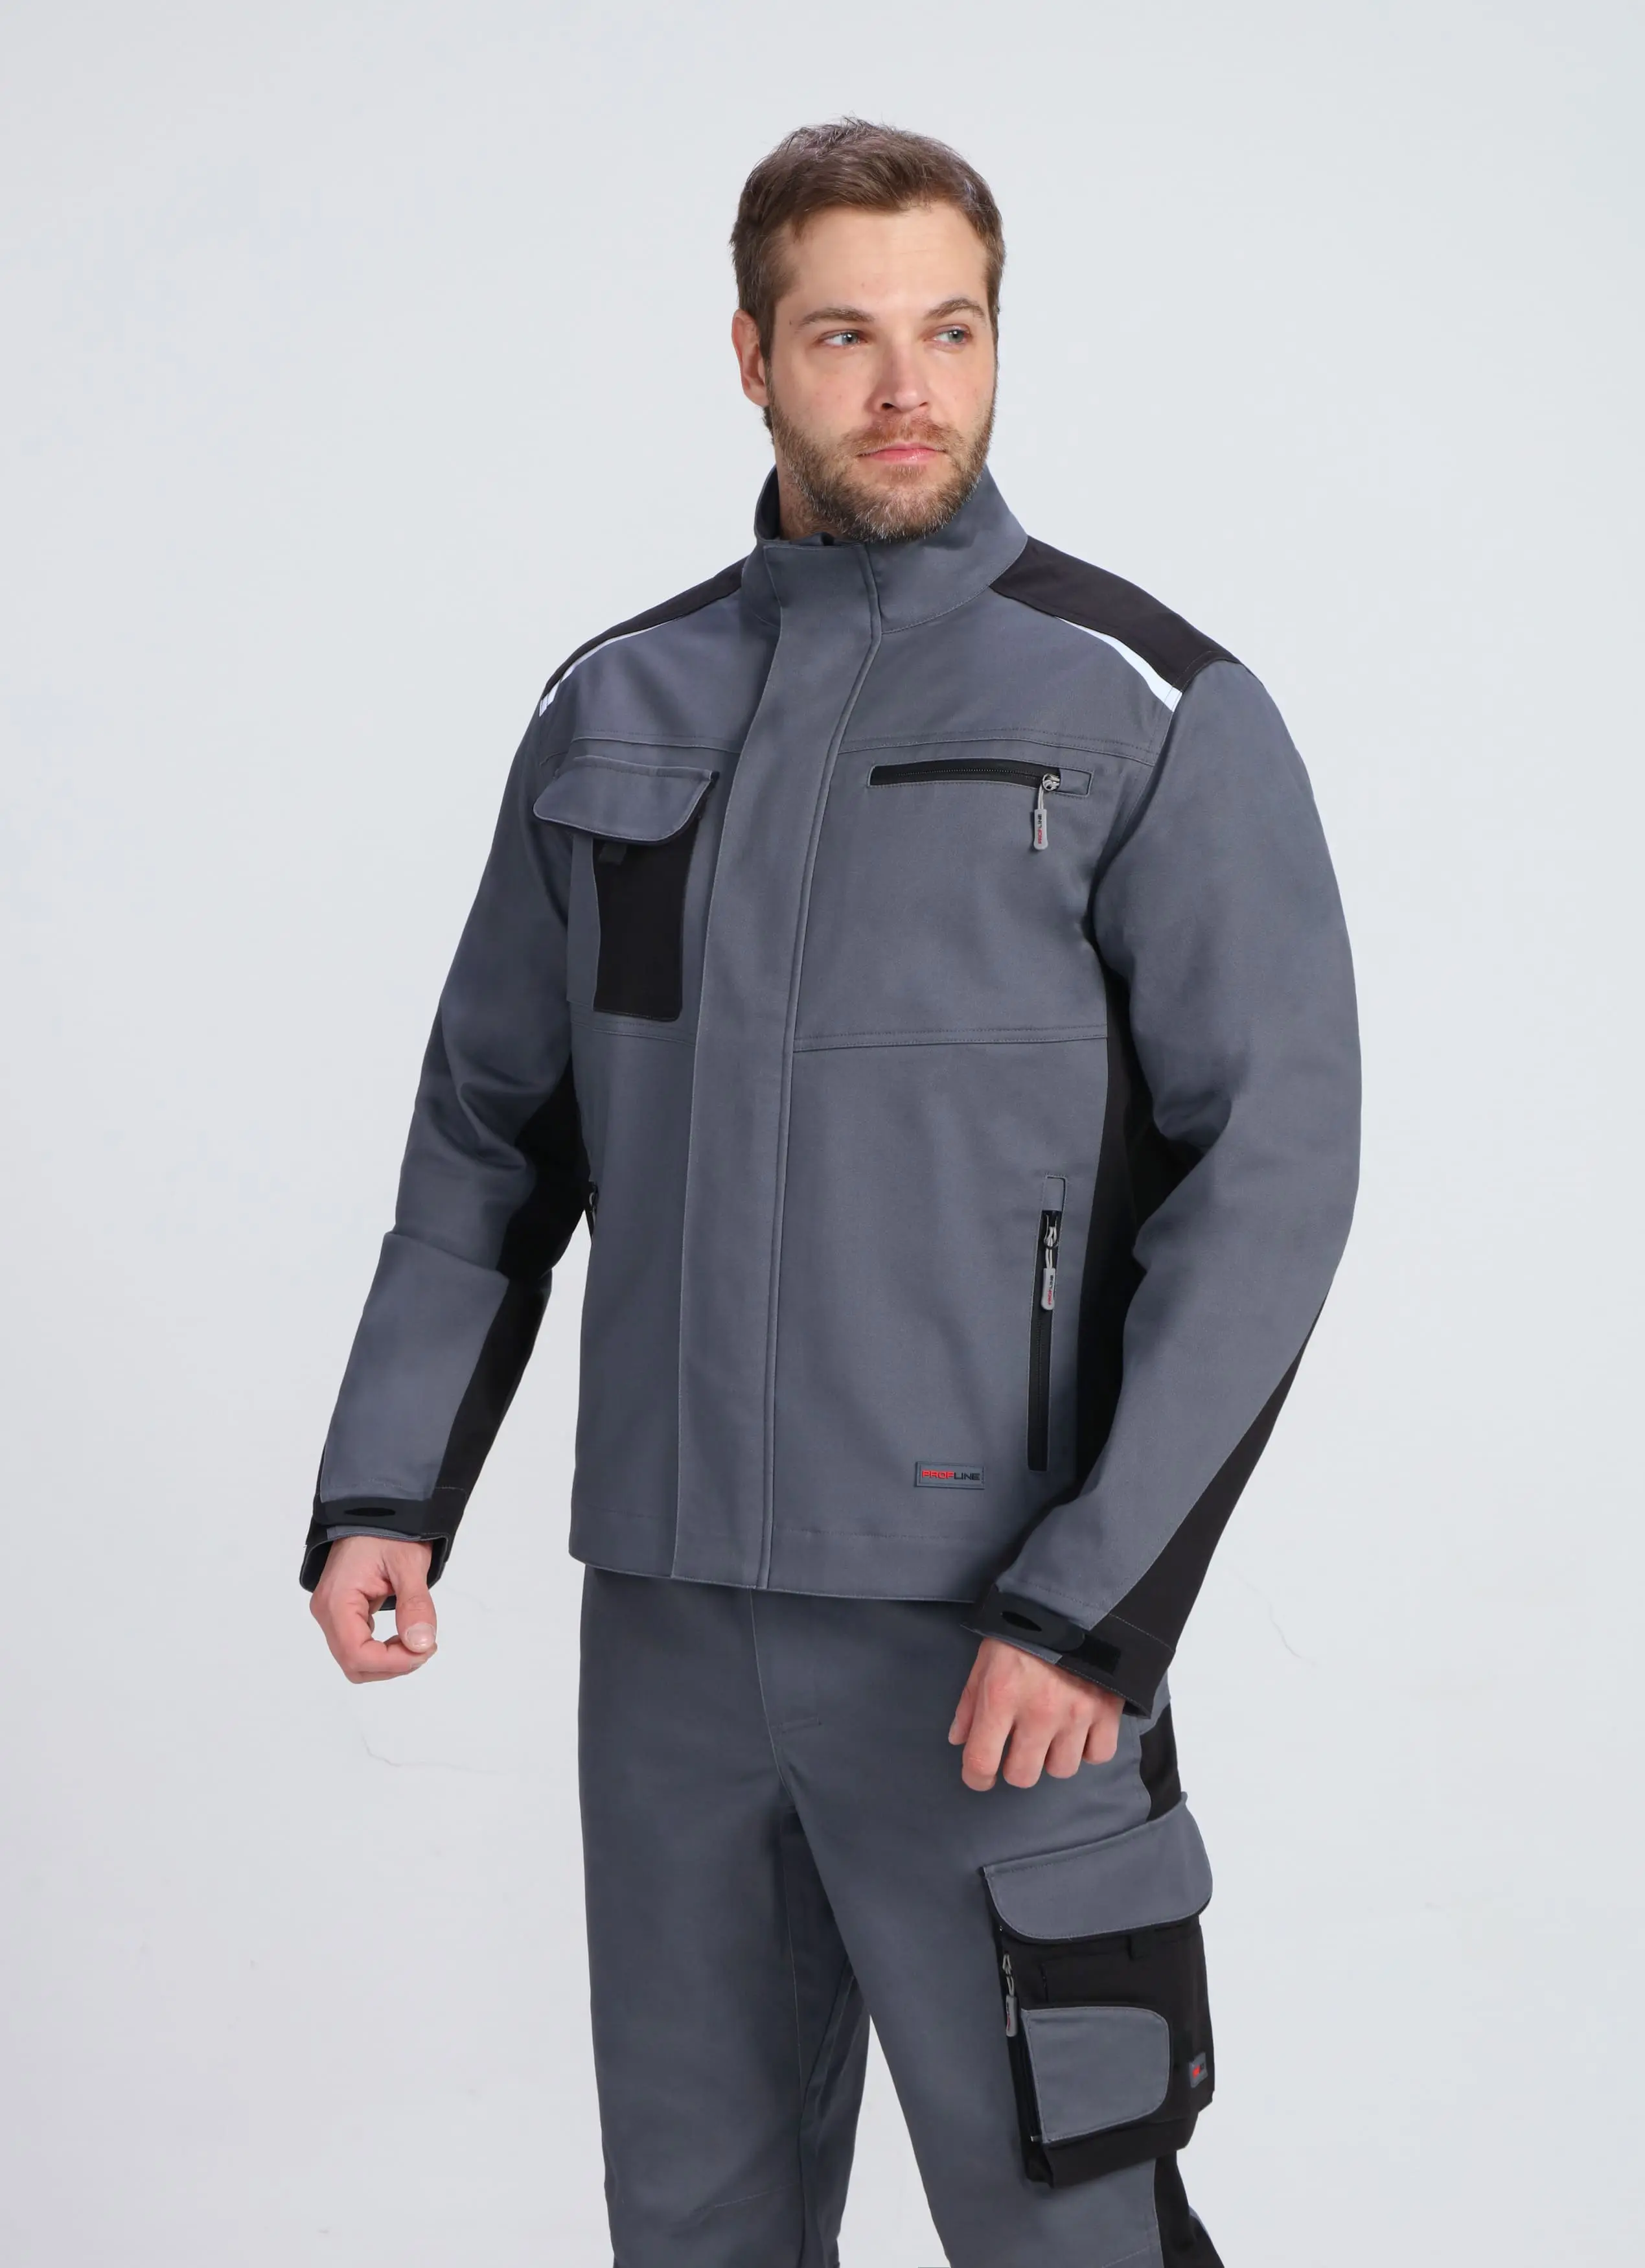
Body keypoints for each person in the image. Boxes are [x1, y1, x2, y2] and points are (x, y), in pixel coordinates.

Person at [302, 117, 1361, 2268]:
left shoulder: (1145, 708)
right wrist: (389, 1480)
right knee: (695, 2224)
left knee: (1070, 2225)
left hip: (991, 1645)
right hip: (672, 1641)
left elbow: (1272, 1173)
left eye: (951, 332)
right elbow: (495, 1123)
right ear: (751, 356)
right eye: (846, 336)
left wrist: (1096, 1604)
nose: (907, 389)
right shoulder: (616, 708)